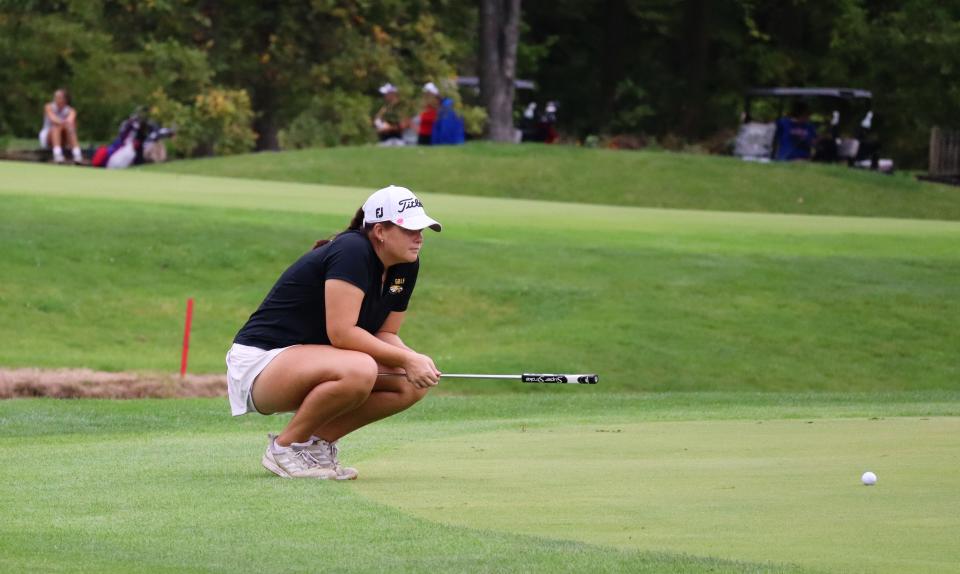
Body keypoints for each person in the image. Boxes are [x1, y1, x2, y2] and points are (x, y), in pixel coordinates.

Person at [226, 185, 443, 480]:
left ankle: (316, 444)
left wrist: (413, 360)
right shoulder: (352, 250)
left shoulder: (405, 266)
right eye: (410, 229)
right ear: (380, 231)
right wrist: (406, 360)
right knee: (361, 368)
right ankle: (284, 448)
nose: (419, 237)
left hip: (313, 363)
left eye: (423, 229)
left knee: (412, 384)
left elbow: (385, 334)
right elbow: (341, 333)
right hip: (260, 364)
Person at [39, 89, 83, 163]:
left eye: (59, 97)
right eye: (55, 97)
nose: (56, 99)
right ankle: (57, 154)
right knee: (56, 127)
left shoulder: (71, 111)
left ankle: (77, 154)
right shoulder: (48, 107)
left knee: (70, 128)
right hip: (48, 137)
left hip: (64, 139)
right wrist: (64, 123)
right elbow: (53, 119)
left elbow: (70, 120)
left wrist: (66, 124)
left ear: (65, 99)